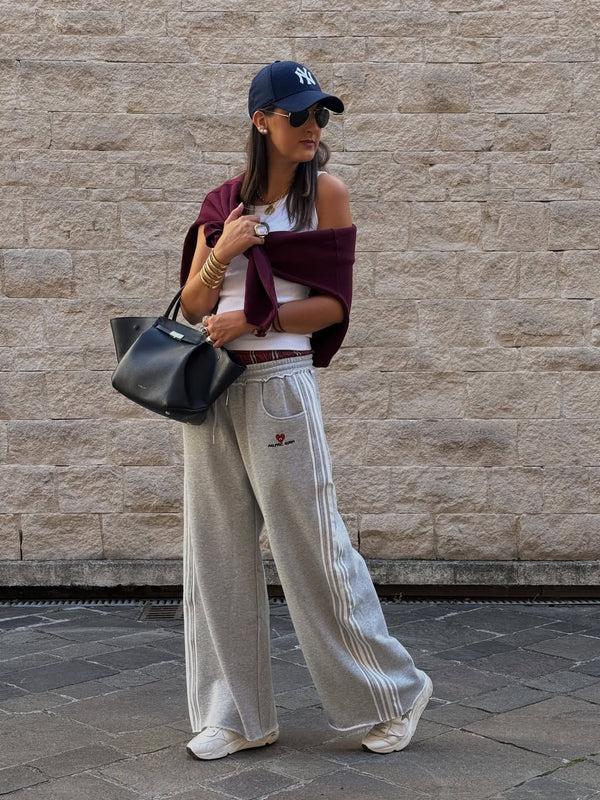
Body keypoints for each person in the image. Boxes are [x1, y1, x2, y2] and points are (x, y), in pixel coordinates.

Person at [178, 60, 432, 761]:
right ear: (261, 120)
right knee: (216, 555)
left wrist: (254, 320)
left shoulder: (326, 196)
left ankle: (394, 692)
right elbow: (194, 305)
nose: (313, 126)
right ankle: (235, 716)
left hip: (280, 384)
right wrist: (225, 251)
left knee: (314, 549)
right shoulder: (222, 203)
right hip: (213, 390)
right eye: (299, 114)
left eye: (321, 114)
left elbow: (332, 308)